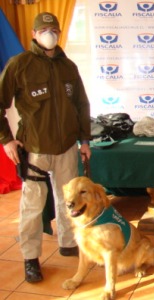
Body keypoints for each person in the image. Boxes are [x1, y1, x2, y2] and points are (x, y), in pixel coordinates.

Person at [0, 12, 92, 283]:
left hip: (66, 147)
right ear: (34, 34)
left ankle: (68, 243)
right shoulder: (20, 64)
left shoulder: (69, 67)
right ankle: (31, 258)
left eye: (54, 29)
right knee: (32, 207)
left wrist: (84, 140)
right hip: (35, 149)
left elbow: (81, 105)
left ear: (59, 33)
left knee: (70, 201)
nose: (49, 33)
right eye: (44, 29)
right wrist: (6, 139)